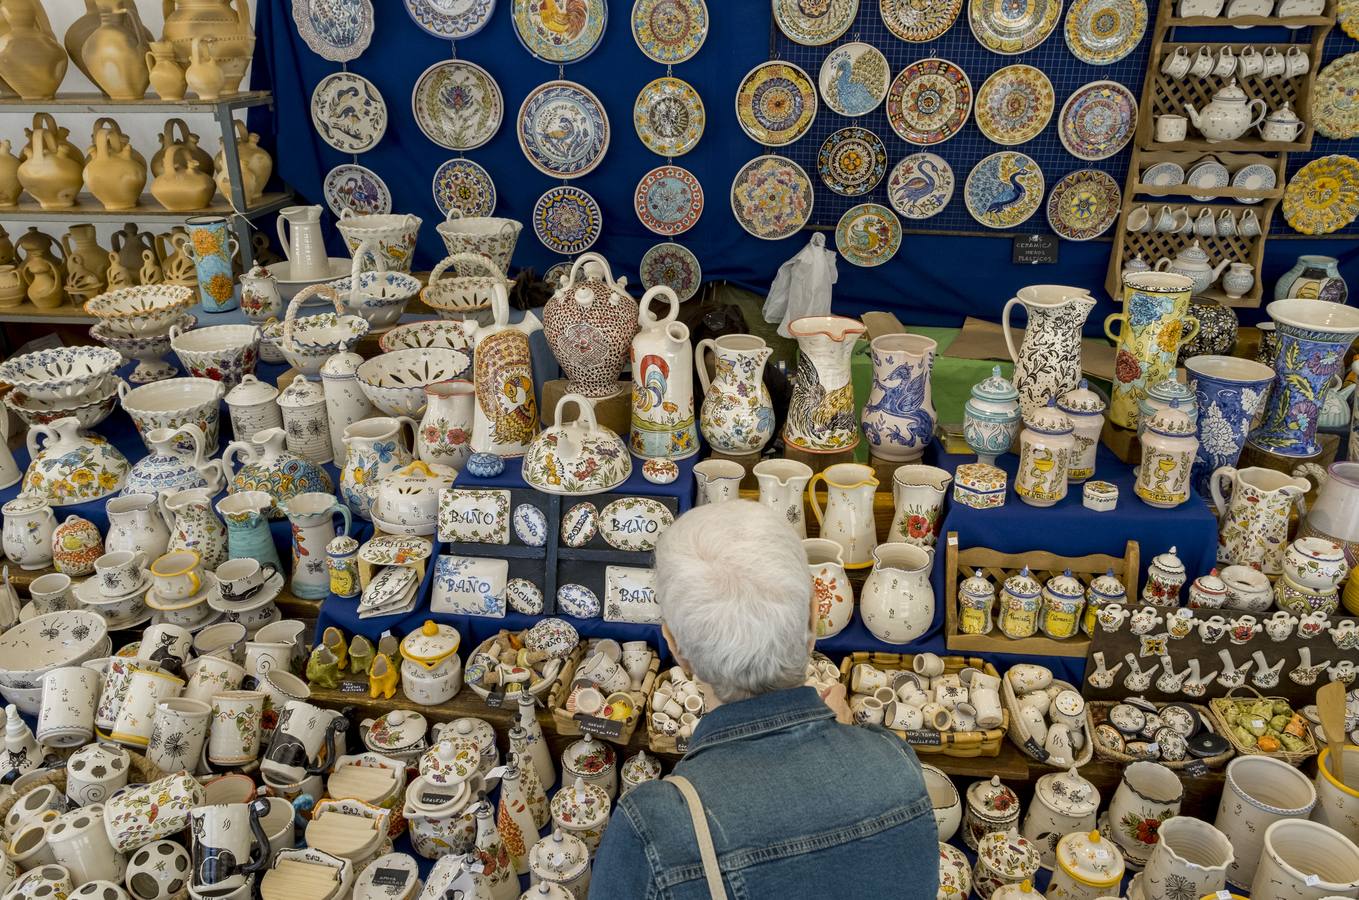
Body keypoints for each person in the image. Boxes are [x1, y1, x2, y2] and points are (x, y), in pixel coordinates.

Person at [591, 500, 938, 898]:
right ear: (813, 618)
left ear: (675, 647)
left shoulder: (652, 828)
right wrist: (853, 744)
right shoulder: (895, 765)